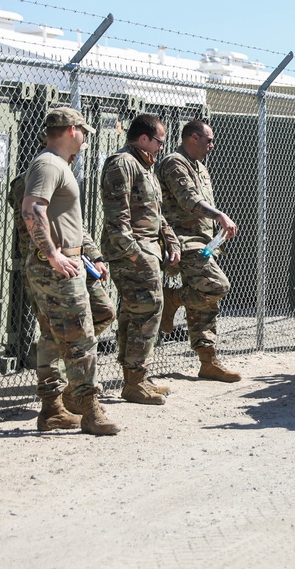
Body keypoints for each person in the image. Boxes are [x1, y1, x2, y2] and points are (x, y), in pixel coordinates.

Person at [19, 107, 120, 435]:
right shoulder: (48, 163)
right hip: (58, 267)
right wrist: (52, 256)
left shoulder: (59, 164)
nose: (87, 137)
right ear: (71, 130)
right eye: (84, 131)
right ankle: (87, 408)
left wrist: (91, 255)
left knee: (71, 326)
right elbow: (33, 208)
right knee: (79, 337)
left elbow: (68, 220)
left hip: (73, 263)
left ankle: (53, 409)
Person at [101, 113, 180, 405]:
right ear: (144, 138)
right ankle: (135, 381)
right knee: (147, 309)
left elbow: (155, 213)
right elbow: (116, 217)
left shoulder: (144, 165)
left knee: (136, 312)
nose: (162, 146)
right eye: (159, 140)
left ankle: (137, 378)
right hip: (132, 253)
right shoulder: (122, 163)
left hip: (148, 249)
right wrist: (136, 254)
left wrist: (170, 241)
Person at [156, 119, 241, 382]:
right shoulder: (174, 162)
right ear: (193, 138)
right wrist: (220, 217)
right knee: (216, 286)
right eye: (208, 140)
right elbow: (188, 200)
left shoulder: (200, 167)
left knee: (206, 303)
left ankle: (207, 361)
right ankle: (173, 299)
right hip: (182, 240)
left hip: (203, 241)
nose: (212, 146)